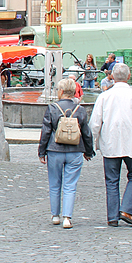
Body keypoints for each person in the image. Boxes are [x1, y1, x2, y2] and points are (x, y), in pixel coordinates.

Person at [88, 63, 132, 227]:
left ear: (113, 77)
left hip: (111, 143)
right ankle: (127, 208)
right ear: (129, 77)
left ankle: (112, 216)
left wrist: (92, 144)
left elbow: (95, 124)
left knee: (111, 180)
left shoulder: (104, 97)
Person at [38, 78, 94, 229]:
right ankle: (67, 218)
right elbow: (87, 133)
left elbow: (46, 131)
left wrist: (41, 151)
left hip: (54, 149)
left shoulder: (52, 108)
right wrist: (88, 151)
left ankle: (55, 215)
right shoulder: (80, 109)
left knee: (55, 183)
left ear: (61, 91)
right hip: (75, 150)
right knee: (70, 185)